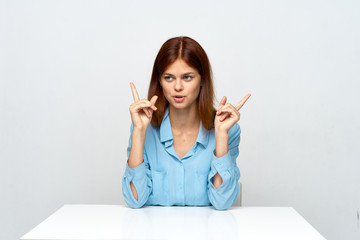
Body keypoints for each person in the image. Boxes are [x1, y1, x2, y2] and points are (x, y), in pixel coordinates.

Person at [122, 36, 251, 210]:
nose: (177, 87)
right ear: (159, 81)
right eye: (169, 78)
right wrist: (138, 132)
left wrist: (221, 136)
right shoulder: (144, 127)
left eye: (187, 77)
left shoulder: (228, 129)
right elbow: (134, 200)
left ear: (202, 80)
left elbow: (222, 202)